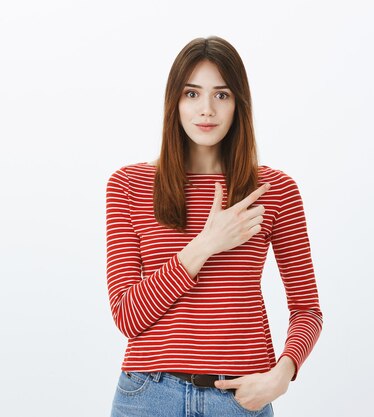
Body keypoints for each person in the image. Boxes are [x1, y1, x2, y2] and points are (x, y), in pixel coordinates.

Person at [106, 36, 323, 417]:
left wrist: (282, 374)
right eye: (192, 94)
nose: (206, 109)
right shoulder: (129, 186)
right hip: (148, 395)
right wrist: (206, 244)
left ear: (239, 103)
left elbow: (307, 309)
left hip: (240, 398)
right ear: (174, 101)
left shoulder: (275, 191)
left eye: (221, 95)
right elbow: (127, 315)